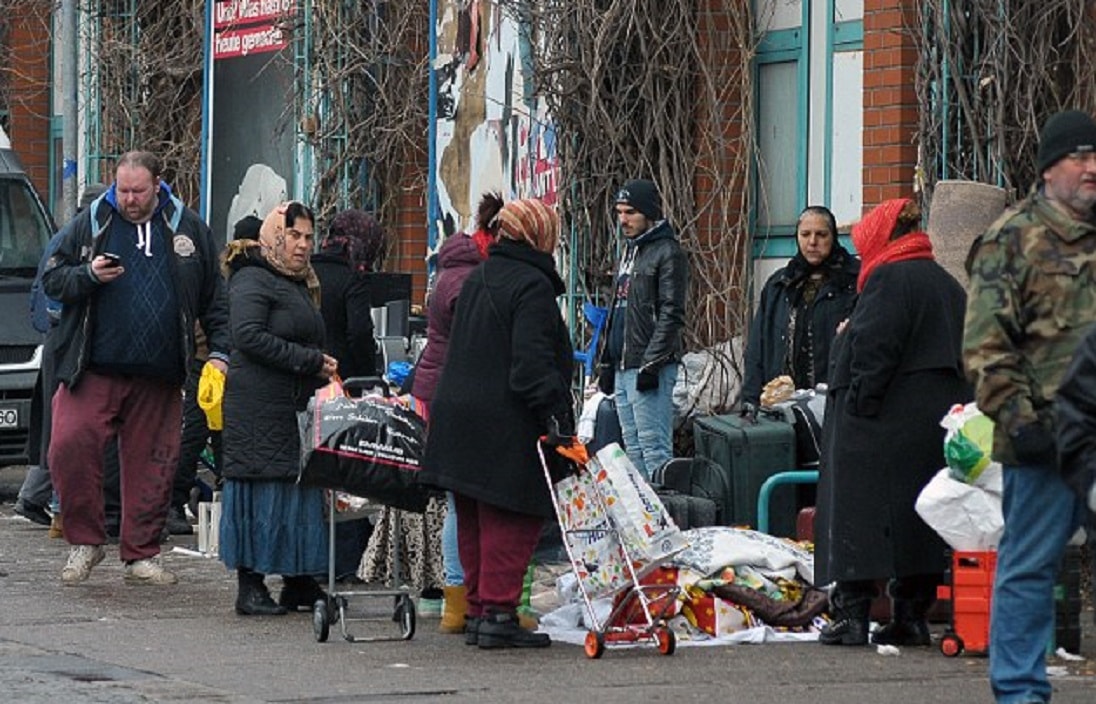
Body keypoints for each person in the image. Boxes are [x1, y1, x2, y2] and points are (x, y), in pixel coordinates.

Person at [41, 152, 230, 586]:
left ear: (157, 185)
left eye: (138, 191)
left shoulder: (187, 227)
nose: (128, 199)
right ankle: (85, 542)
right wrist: (88, 274)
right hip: (92, 366)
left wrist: (220, 353)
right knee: (69, 444)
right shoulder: (93, 221)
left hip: (160, 371)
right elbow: (52, 278)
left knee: (155, 463)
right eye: (122, 190)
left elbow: (214, 299)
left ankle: (141, 553)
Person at [963, 109, 1096, 704]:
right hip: (1043, 439)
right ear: (1048, 169)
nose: (1092, 168)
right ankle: (1019, 690)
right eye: (1080, 157)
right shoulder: (1011, 240)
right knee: (1031, 568)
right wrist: (1021, 421)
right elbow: (986, 349)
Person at [815, 197, 969, 646]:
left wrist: (857, 393)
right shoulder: (944, 281)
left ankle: (852, 614)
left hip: (880, 423)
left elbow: (874, 350)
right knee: (917, 521)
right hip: (933, 425)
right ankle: (911, 614)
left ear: (880, 237)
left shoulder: (886, 278)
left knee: (857, 513)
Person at [420, 197, 573, 649]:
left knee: (472, 517)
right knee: (511, 516)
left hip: (457, 416)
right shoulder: (531, 285)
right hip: (503, 421)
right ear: (540, 237)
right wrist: (552, 411)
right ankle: (500, 614)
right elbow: (531, 364)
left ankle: (480, 610)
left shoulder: (480, 275)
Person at [218, 202, 337, 616]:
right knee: (259, 490)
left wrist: (320, 362)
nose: (303, 245)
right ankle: (249, 587)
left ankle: (298, 582)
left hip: (290, 406)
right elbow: (247, 335)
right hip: (258, 408)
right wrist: (308, 360)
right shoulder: (253, 277)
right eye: (294, 236)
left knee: (295, 491)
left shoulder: (297, 280)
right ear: (274, 236)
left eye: (308, 237)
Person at [410, 192, 503, 633]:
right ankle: (456, 593)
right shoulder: (469, 279)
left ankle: (458, 596)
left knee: (458, 498)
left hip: (438, 388)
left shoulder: (455, 267)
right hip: (450, 392)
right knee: (459, 499)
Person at [15, 184, 109, 535]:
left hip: (57, 341)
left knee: (58, 425)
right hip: (67, 343)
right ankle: (58, 506)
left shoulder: (61, 239)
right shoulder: (77, 241)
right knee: (66, 425)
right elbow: (53, 296)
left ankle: (40, 498)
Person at [165, 215, 263, 537]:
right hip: (217, 365)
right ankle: (215, 502)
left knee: (196, 435)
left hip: (205, 362)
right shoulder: (250, 278)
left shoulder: (223, 273)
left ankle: (181, 502)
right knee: (215, 435)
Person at [597, 179, 688, 480]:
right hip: (625, 365)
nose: (623, 219)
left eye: (631, 212)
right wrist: (606, 361)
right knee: (632, 452)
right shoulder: (629, 251)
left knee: (655, 451)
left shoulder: (667, 251)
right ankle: (645, 525)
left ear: (649, 212)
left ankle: (666, 520)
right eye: (620, 212)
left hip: (649, 366)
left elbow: (671, 313)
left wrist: (652, 363)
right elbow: (617, 311)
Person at [741, 205, 859, 410]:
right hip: (782, 404)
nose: (812, 242)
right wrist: (751, 401)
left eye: (821, 234)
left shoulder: (852, 281)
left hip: (835, 404)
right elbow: (757, 348)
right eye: (805, 234)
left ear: (833, 237)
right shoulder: (780, 284)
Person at [311, 209, 381, 379]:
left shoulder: (307, 270)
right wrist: (368, 376)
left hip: (304, 368)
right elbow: (359, 332)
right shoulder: (353, 277)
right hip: (341, 376)